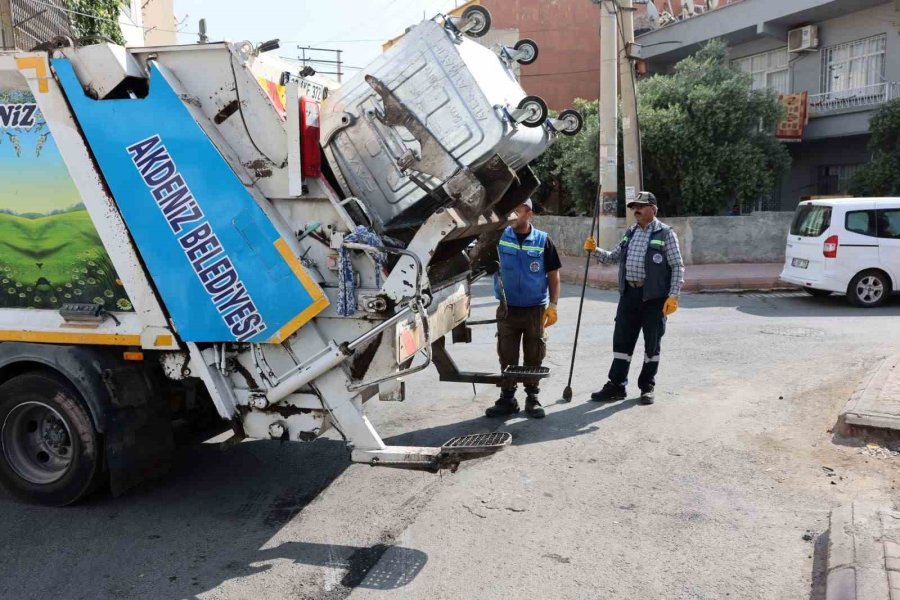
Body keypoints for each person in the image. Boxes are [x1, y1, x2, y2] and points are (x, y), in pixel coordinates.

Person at [583, 191, 684, 405]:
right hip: (629, 295)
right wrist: (595, 250)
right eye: (633, 206)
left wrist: (673, 295)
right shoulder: (630, 232)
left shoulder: (665, 234)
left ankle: (647, 386)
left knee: (652, 345)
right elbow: (614, 257)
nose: (635, 210)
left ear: (653, 209)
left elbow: (677, 266)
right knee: (622, 342)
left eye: (641, 205)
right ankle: (616, 386)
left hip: (655, 299)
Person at [486, 199, 561, 419]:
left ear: (528, 213)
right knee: (506, 354)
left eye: (515, 211)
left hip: (535, 309)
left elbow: (554, 275)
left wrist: (553, 305)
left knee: (534, 354)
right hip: (507, 309)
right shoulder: (499, 238)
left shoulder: (542, 240)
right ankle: (507, 398)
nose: (511, 216)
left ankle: (532, 397)